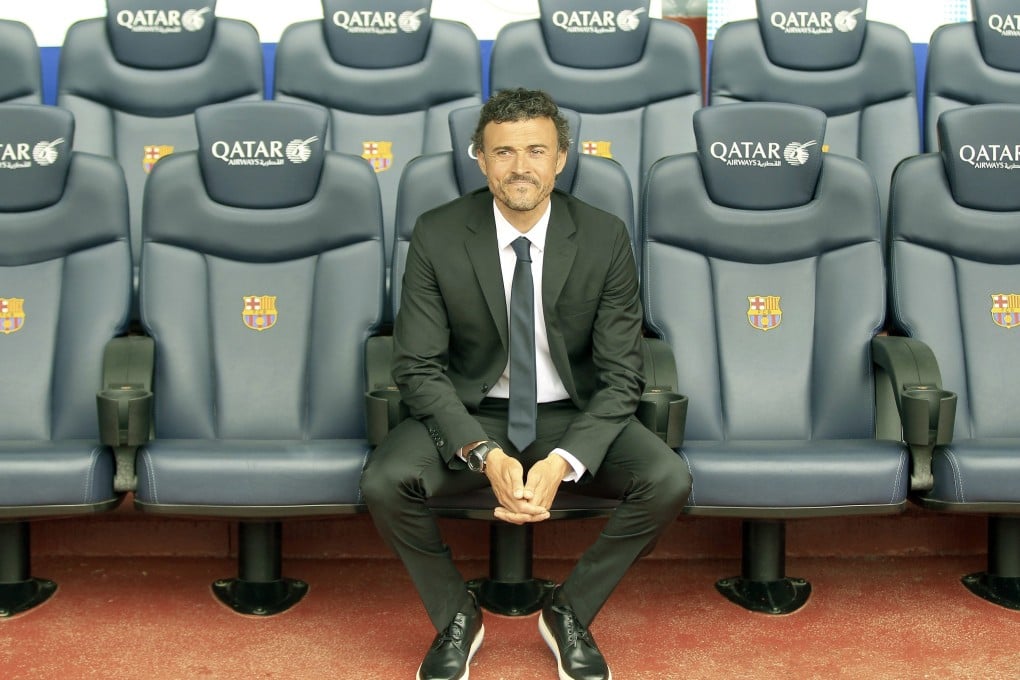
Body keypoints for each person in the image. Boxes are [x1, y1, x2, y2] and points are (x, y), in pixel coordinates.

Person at [360, 88, 691, 680]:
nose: (520, 167)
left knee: (667, 479)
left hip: (572, 413)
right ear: (480, 159)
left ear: (561, 158)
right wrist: (482, 453)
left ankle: (569, 611)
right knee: (385, 481)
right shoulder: (438, 233)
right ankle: (456, 615)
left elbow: (622, 374)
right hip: (476, 412)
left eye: (536, 151)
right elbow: (416, 365)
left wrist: (565, 460)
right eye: (503, 152)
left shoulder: (602, 234)